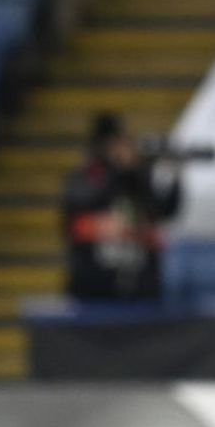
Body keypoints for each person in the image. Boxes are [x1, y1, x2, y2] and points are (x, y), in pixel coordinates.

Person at [63, 113, 182, 300]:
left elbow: (163, 211)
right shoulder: (87, 177)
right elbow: (82, 207)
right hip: (94, 284)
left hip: (140, 284)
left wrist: (174, 179)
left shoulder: (138, 178)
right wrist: (118, 169)